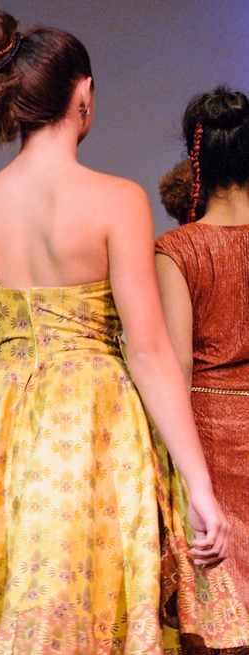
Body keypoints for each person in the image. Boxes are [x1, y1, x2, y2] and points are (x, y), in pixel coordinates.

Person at [0, 9, 248, 655]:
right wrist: (198, 486)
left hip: (0, 432)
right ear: (83, 94)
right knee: (88, 613)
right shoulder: (117, 200)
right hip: (95, 428)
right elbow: (149, 350)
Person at [155, 86, 249, 609]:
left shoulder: (178, 250)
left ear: (197, 161)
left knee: (221, 609)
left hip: (208, 434)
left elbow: (177, 366)